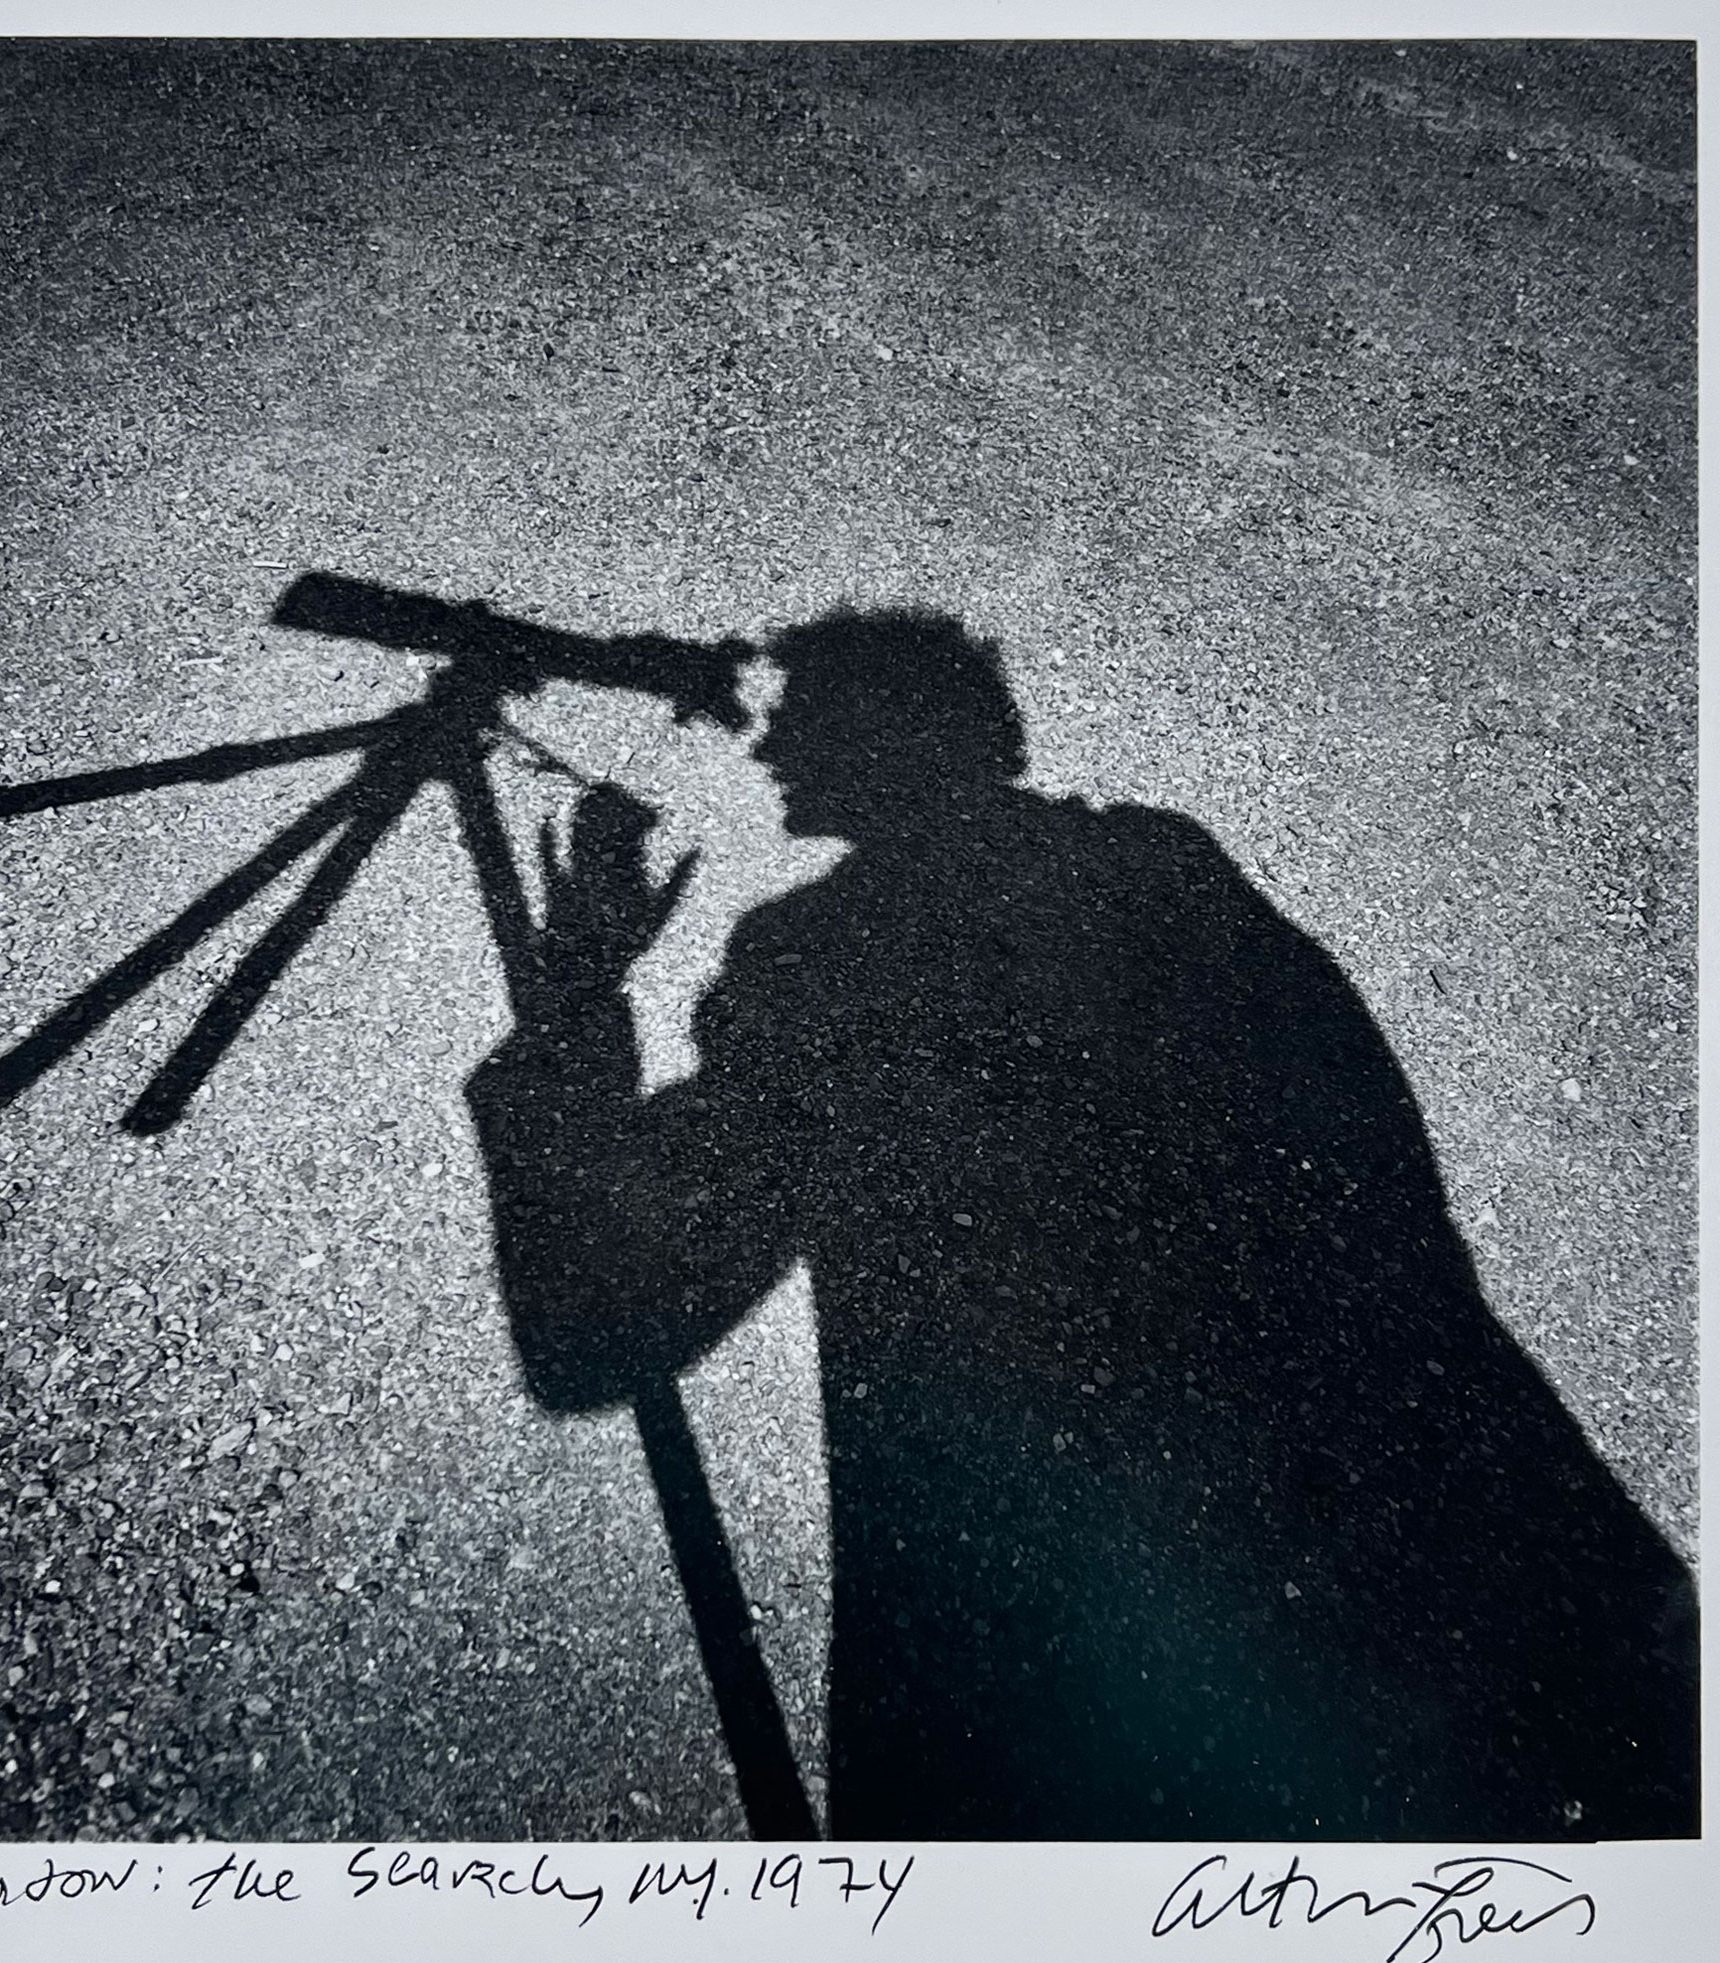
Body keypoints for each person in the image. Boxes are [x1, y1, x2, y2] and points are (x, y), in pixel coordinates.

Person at [467, 607, 1697, 1839]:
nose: (766, 746)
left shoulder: (828, 955)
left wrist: (577, 999)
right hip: (1482, 1599)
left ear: (901, 734)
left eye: (806, 715)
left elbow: (602, 1321)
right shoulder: (1168, 877)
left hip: (1065, 1691)